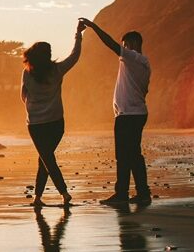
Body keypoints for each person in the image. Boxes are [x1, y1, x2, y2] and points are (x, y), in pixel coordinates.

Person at [79, 18, 151, 205]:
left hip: (128, 115)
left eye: (125, 45)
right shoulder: (144, 63)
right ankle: (142, 192)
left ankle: (122, 194)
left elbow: (110, 44)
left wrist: (93, 27)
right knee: (133, 154)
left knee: (124, 155)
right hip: (135, 113)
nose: (123, 49)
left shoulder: (133, 58)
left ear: (133, 44)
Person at [20, 20, 86, 207]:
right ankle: (38, 198)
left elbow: (23, 96)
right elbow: (75, 56)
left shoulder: (27, 73)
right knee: (46, 158)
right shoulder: (57, 70)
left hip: (36, 125)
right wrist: (78, 35)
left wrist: (34, 106)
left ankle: (64, 193)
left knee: (46, 158)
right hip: (56, 123)